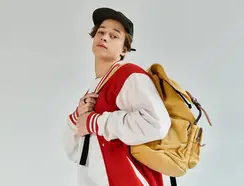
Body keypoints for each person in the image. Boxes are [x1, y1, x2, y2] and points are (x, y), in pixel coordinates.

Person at [63, 7, 171, 186]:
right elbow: (74, 152)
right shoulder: (94, 88)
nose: (104, 37)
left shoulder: (130, 75)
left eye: (114, 36)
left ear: (124, 50)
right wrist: (77, 118)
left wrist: (94, 122)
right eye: (101, 32)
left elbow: (157, 124)